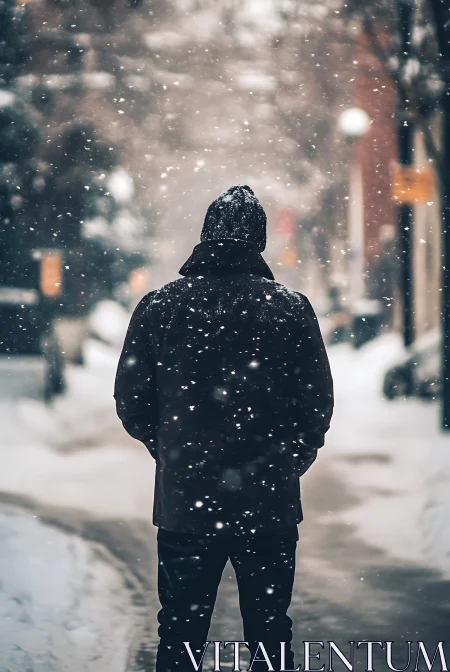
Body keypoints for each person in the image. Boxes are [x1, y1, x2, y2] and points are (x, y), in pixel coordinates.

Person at [114, 185, 334, 672]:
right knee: (270, 631)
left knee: (180, 632)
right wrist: (285, 462)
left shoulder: (160, 307)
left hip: (186, 505)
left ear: (205, 235)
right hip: (268, 505)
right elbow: (315, 405)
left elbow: (131, 401)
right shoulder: (289, 308)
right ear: (259, 241)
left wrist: (170, 450)